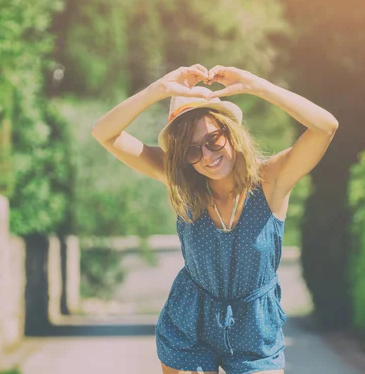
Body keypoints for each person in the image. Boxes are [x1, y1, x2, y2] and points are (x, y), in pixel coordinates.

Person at [92, 64, 338, 374]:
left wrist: (257, 85)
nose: (207, 156)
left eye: (213, 140)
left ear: (230, 132)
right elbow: (104, 132)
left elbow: (326, 127)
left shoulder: (271, 180)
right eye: (193, 151)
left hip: (255, 332)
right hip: (189, 324)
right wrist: (158, 90)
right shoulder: (183, 183)